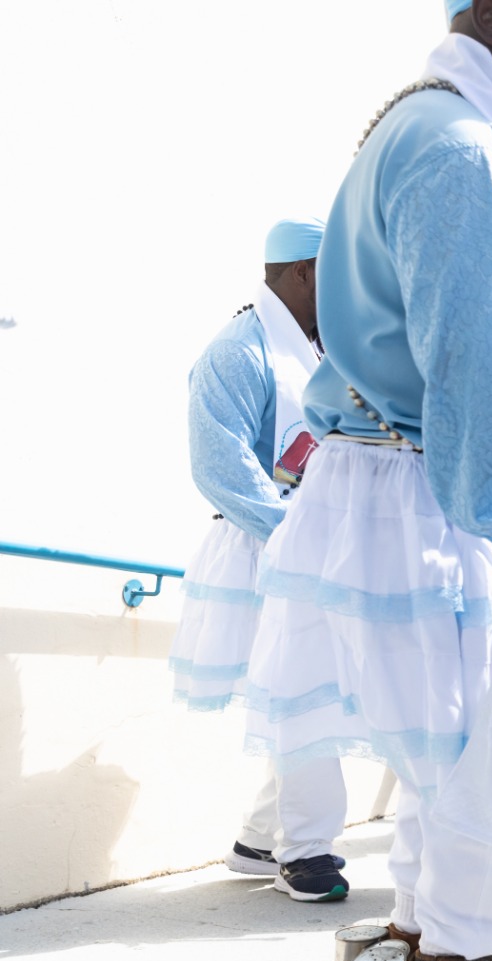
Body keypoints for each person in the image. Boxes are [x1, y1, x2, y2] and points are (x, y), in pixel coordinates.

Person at [243, 3, 492, 961]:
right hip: (429, 499)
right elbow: (478, 370)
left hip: (399, 493)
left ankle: (419, 946)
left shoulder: (429, 129)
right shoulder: (458, 152)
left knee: (444, 759)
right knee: (483, 768)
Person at [168, 218, 349, 895]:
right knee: (306, 692)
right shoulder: (237, 351)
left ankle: (257, 840)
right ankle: (306, 853)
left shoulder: (317, 346)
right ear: (302, 272)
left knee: (307, 692)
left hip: (318, 549)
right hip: (268, 546)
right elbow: (220, 467)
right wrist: (295, 536)